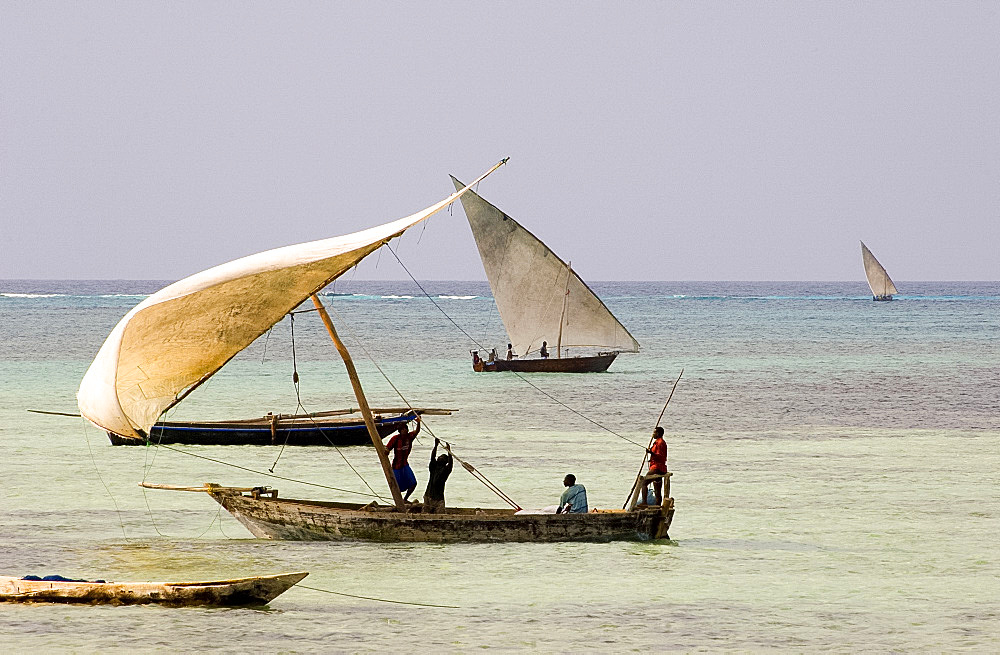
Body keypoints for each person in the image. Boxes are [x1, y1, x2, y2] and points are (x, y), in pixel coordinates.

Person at [384, 415, 421, 501]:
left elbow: (417, 431)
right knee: (397, 487)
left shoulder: (409, 437)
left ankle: (405, 499)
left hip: (405, 464)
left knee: (413, 483)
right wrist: (386, 451)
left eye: (406, 429)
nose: (405, 431)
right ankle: (399, 501)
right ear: (400, 431)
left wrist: (418, 422)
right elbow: (387, 448)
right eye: (403, 429)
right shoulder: (395, 439)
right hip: (396, 466)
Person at [423, 437, 454, 513]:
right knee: (426, 513)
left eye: (442, 457)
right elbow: (432, 457)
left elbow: (450, 463)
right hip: (428, 496)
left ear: (445, 462)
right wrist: (435, 445)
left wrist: (449, 451)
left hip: (438, 499)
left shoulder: (445, 471)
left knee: (440, 514)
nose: (440, 457)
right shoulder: (433, 467)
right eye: (439, 456)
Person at [641, 427, 668, 506]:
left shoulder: (660, 443)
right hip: (659, 467)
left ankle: (644, 502)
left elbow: (660, 456)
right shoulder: (657, 442)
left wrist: (651, 453)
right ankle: (657, 505)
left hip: (657, 467)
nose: (653, 434)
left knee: (643, 483)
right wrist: (651, 451)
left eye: (654, 433)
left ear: (658, 434)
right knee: (657, 487)